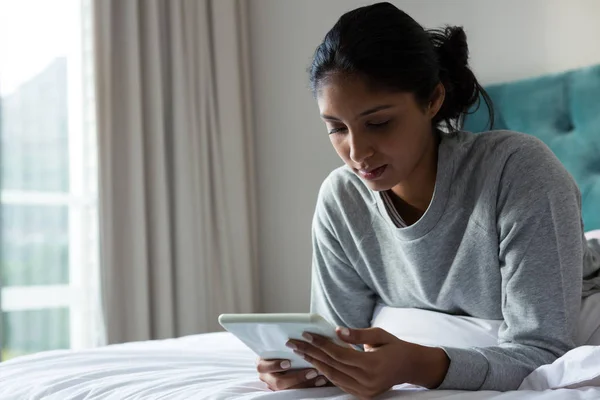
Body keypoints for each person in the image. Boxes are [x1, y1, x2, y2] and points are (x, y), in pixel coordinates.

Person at [256, 2, 597, 397]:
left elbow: (545, 350)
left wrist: (415, 363)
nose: (357, 151)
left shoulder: (518, 171)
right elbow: (341, 340)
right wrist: (311, 365)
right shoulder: (341, 200)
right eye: (336, 128)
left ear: (433, 99)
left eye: (378, 123)